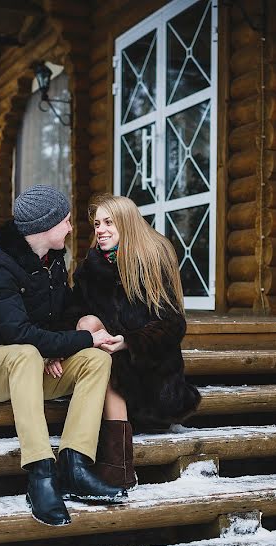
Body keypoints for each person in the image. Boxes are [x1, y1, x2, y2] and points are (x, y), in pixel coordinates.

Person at [0, 185, 127, 527]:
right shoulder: (0, 267)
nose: (70, 228)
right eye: (65, 221)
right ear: (44, 227)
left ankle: (75, 464)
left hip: (35, 367)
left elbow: (64, 313)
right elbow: (19, 335)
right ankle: (40, 473)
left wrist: (61, 345)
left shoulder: (52, 262)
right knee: (25, 352)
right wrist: (63, 343)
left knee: (97, 359)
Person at [71, 194, 202, 489]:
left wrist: (129, 342)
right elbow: (73, 313)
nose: (100, 230)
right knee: (88, 325)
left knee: (106, 354)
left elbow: (173, 324)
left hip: (152, 382)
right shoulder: (90, 269)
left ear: (127, 224)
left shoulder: (151, 259)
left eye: (108, 222)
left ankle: (115, 465)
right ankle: (116, 466)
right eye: (96, 224)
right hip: (112, 364)